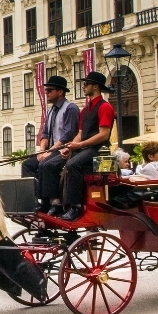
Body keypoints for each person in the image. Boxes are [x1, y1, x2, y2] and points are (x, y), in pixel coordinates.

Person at [57, 71, 117, 221]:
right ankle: (59, 204)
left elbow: (104, 134)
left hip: (99, 150)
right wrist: (70, 146)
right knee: (59, 164)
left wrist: (80, 145)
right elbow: (80, 133)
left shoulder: (105, 107)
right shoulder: (85, 109)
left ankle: (75, 206)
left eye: (86, 84)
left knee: (73, 165)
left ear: (95, 87)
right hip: (86, 148)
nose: (83, 87)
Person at [21, 75, 80, 214]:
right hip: (50, 150)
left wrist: (49, 152)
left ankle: (55, 203)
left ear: (60, 92)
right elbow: (45, 134)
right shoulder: (50, 110)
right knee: (27, 164)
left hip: (64, 150)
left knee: (46, 165)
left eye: (49, 90)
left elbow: (68, 135)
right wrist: (42, 151)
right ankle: (36, 199)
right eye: (46, 90)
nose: (46, 93)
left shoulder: (70, 108)